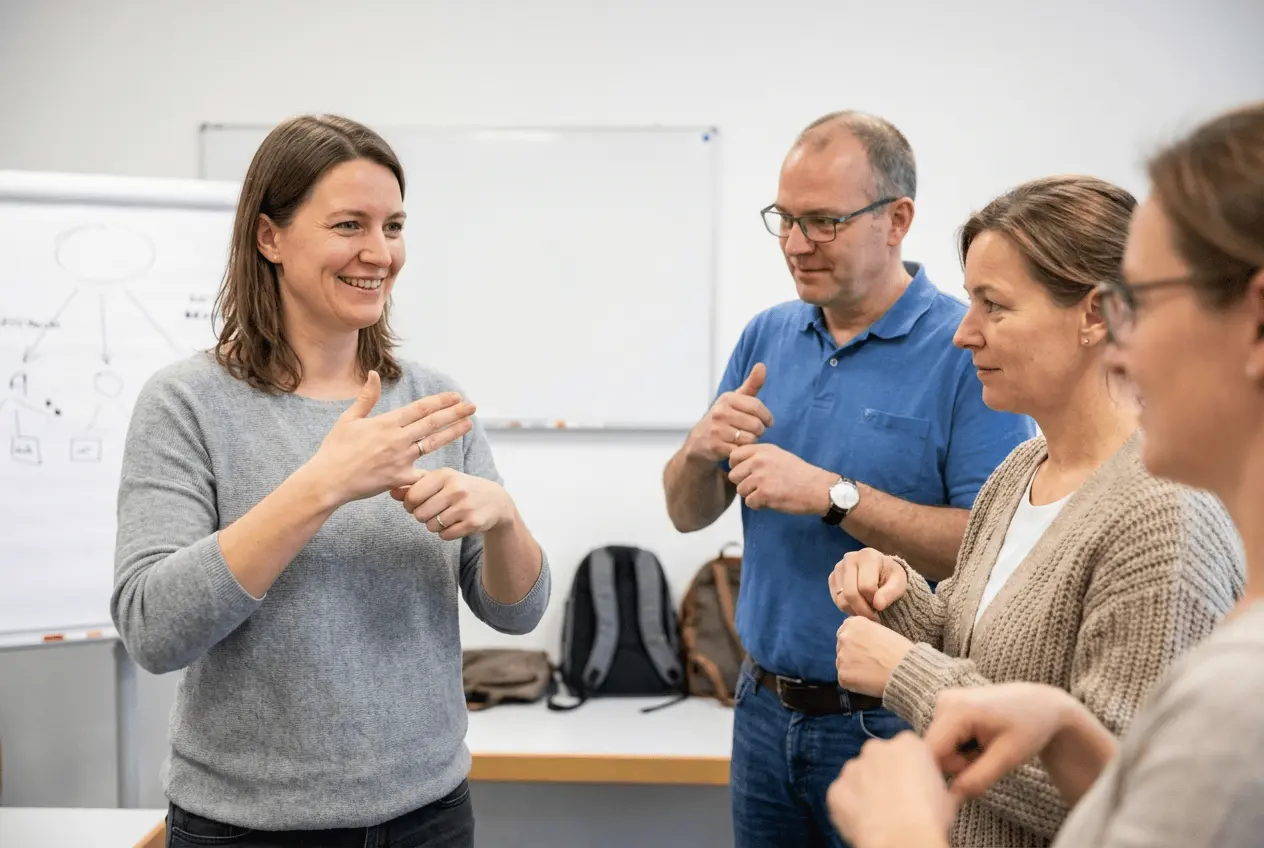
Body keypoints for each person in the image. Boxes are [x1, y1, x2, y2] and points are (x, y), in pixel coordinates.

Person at [825, 100, 1264, 848]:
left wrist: (905, 679)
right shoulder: (1020, 467)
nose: (965, 333)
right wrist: (895, 597)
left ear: (1094, 315)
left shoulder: (1166, 517)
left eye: (993, 305)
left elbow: (1114, 806)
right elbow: (979, 640)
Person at [110, 114, 550, 847]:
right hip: (248, 828)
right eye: (349, 224)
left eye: (394, 226)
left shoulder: (429, 398)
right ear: (269, 237)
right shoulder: (186, 402)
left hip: (428, 816)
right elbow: (154, 630)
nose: (378, 253)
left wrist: (502, 518)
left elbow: (517, 613)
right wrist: (322, 484)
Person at [662, 110, 1036, 847]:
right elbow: (685, 512)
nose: (796, 245)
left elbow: (991, 555)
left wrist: (834, 497)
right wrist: (699, 450)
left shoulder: (966, 349)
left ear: (897, 220)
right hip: (762, 711)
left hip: (892, 723)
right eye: (785, 219)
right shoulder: (766, 335)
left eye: (823, 221)